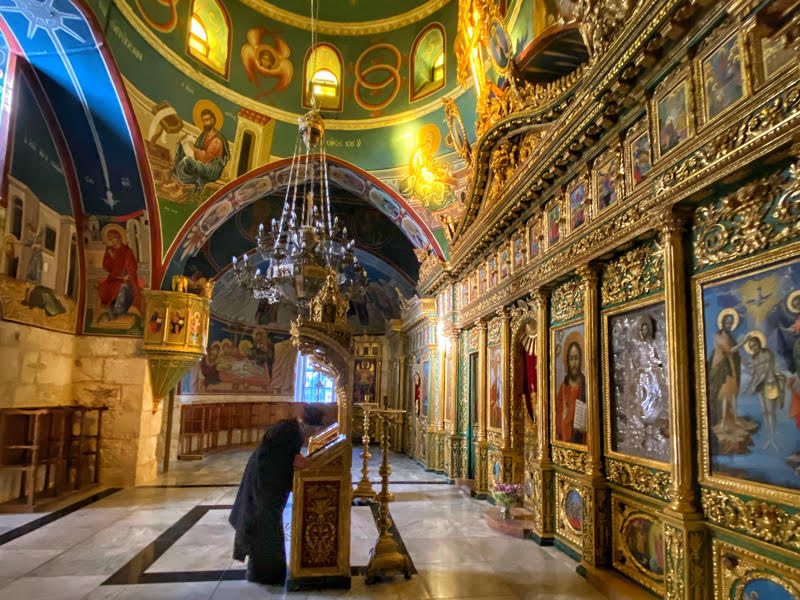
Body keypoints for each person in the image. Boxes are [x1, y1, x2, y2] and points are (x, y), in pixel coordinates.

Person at [229, 406, 325, 585]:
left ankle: (266, 571)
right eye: (316, 428)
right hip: (265, 481)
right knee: (266, 524)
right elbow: (286, 458)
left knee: (266, 523)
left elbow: (286, 456)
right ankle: (266, 574)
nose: (316, 432)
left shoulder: (291, 429)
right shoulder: (292, 433)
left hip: (265, 478)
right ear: (309, 425)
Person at [171, 109, 230, 191]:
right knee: (181, 146)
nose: (205, 123)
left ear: (213, 120)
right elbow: (197, 148)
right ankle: (175, 182)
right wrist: (187, 143)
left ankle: (181, 187)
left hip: (211, 168)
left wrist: (192, 149)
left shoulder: (217, 140)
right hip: (202, 163)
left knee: (186, 161)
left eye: (207, 120)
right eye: (203, 121)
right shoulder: (204, 135)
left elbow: (207, 157)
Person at [98, 227, 142, 320]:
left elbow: (133, 267)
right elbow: (107, 267)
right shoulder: (110, 250)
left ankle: (118, 311)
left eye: (113, 238)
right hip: (114, 278)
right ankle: (111, 310)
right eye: (110, 239)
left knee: (123, 287)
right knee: (106, 288)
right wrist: (111, 257)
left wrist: (128, 275)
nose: (112, 241)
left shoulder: (127, 251)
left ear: (119, 238)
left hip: (127, 279)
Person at [556, 340, 586, 444]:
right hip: (564, 439)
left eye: (576, 358)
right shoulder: (563, 386)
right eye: (571, 359)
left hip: (582, 440)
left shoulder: (585, 385)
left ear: (581, 360)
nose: (574, 363)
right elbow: (557, 412)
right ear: (567, 361)